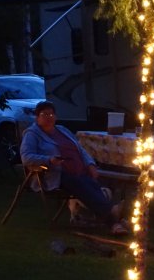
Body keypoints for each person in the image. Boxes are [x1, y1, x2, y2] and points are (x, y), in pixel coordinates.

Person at [20, 101, 128, 235]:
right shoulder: (32, 134)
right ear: (37, 117)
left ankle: (113, 221)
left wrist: (90, 164)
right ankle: (113, 217)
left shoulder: (62, 130)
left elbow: (80, 149)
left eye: (51, 114)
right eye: (44, 114)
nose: (49, 117)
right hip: (53, 174)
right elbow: (26, 157)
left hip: (78, 171)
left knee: (92, 183)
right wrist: (49, 160)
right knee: (80, 184)